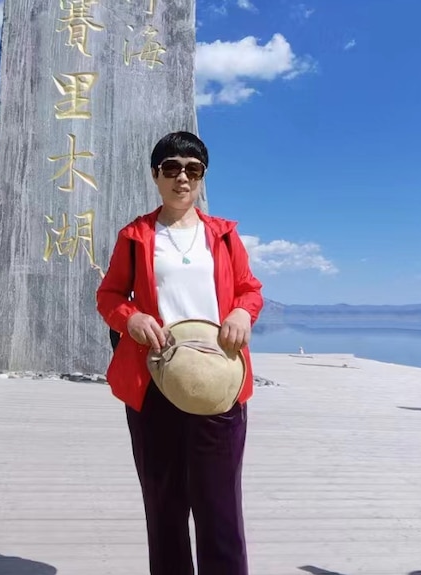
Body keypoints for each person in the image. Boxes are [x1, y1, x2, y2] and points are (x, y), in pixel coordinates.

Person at [95, 131, 264, 575]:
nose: (182, 177)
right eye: (171, 168)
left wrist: (244, 315)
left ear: (202, 177)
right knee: (164, 507)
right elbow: (109, 295)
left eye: (193, 169)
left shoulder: (224, 236)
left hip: (219, 381)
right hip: (155, 383)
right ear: (156, 175)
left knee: (221, 509)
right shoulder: (135, 236)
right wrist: (130, 318)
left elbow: (250, 290)